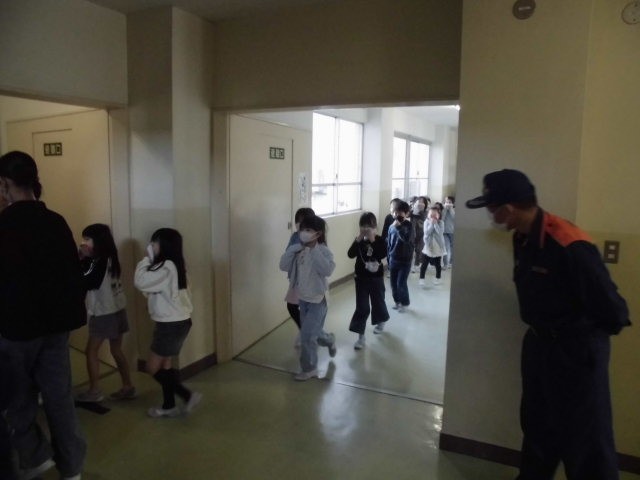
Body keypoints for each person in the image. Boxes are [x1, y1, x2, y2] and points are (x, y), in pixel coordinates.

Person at [466, 169, 630, 480]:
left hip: (575, 353)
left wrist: (576, 337)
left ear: (508, 209)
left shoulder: (568, 243)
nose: (490, 215)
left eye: (491, 208)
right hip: (539, 346)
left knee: (586, 445)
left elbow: (614, 312)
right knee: (538, 430)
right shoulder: (522, 237)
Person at [0, 151, 86, 480]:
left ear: (5, 184)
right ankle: (72, 468)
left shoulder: (4, 225)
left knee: (18, 399)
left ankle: (36, 455)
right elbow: (72, 274)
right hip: (56, 327)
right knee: (59, 398)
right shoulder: (56, 221)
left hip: (17, 329)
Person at [134, 228, 202, 418]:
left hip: (170, 325)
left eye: (154, 242)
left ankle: (187, 395)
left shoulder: (167, 266)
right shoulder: (176, 265)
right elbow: (153, 289)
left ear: (164, 245)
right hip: (178, 322)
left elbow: (140, 281)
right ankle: (168, 406)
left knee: (151, 368)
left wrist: (146, 259)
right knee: (165, 365)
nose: (151, 246)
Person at [76, 224, 135, 403]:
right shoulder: (111, 257)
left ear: (97, 241)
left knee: (90, 351)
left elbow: (88, 282)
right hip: (118, 309)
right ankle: (128, 386)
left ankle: (95, 391)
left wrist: (82, 259)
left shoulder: (99, 260)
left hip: (104, 312)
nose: (84, 242)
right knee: (116, 349)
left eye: (87, 239)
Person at [279, 215, 336, 381]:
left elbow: (327, 270)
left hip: (318, 301)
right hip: (303, 300)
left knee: (307, 335)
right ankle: (329, 340)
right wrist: (293, 249)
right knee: (312, 333)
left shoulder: (323, 251)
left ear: (318, 234)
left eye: (308, 230)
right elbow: (283, 266)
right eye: (303, 229)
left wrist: (314, 249)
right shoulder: (299, 250)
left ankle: (309, 368)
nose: (304, 233)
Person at [347, 212, 390, 349]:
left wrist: (372, 239)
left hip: (376, 278)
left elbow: (382, 254)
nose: (366, 228)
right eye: (363, 225)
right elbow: (350, 254)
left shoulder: (379, 240)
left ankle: (381, 321)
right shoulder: (359, 241)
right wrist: (358, 239)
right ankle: (361, 337)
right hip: (361, 278)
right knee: (362, 307)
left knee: (378, 302)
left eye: (369, 226)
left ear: (375, 226)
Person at [283, 207, 316, 348]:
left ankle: (311, 334)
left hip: (310, 281)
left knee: (308, 309)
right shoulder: (295, 237)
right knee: (292, 306)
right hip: (296, 279)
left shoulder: (316, 237)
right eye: (298, 221)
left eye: (303, 222)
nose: (299, 224)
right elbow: (287, 254)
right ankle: (304, 331)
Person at [386, 200, 414, 312]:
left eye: (399, 212)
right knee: (393, 283)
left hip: (405, 261)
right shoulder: (391, 226)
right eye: (394, 212)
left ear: (406, 213)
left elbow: (407, 239)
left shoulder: (409, 226)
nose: (396, 214)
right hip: (393, 259)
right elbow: (389, 244)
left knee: (401, 283)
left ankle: (405, 303)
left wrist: (398, 228)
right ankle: (397, 302)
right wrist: (388, 258)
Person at [419, 207, 446, 286]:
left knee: (437, 264)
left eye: (435, 215)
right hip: (428, 246)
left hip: (438, 246)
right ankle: (421, 279)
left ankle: (438, 278)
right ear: (428, 215)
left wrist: (436, 224)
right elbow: (427, 232)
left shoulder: (441, 222)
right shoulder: (426, 222)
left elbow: (440, 233)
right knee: (424, 263)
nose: (433, 216)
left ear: (439, 215)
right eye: (431, 215)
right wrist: (431, 224)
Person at [410, 196, 428, 273]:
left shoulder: (426, 212)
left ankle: (417, 265)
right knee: (411, 250)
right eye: (419, 201)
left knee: (419, 250)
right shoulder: (412, 211)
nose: (420, 203)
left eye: (422, 202)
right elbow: (408, 216)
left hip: (422, 235)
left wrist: (421, 211)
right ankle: (411, 265)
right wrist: (414, 210)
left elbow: (425, 218)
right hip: (412, 234)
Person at [441, 196, 455, 269]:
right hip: (444, 232)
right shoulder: (443, 210)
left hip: (453, 232)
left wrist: (451, 209)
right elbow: (442, 219)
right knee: (446, 248)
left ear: (453, 203)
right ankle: (445, 264)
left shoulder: (455, 210)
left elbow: (454, 218)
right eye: (446, 202)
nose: (448, 203)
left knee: (453, 248)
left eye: (450, 202)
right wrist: (445, 210)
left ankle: (451, 263)